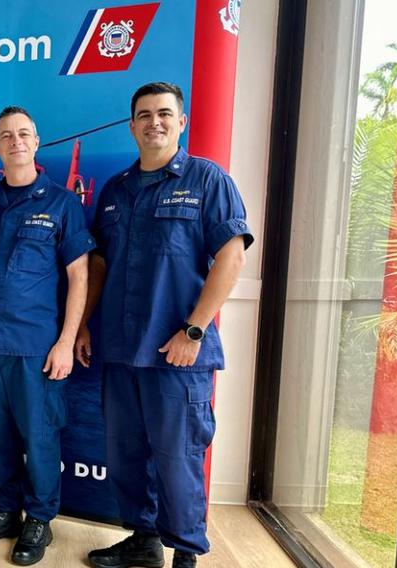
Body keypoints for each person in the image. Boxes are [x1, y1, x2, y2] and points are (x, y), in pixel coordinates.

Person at [76, 82, 253, 568]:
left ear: (182, 122)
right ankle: (143, 539)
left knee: (178, 460)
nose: (155, 122)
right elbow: (100, 267)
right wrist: (87, 325)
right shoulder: (115, 191)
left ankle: (185, 554)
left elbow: (231, 258)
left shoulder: (207, 181)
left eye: (164, 114)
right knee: (127, 455)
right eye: (144, 115)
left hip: (179, 353)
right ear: (132, 125)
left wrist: (194, 330)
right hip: (119, 350)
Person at [0, 106, 94, 566]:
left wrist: (65, 340)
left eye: (24, 134)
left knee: (40, 437)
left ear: (36, 143)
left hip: (38, 348)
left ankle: (39, 519)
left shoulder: (62, 203)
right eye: (6, 135)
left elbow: (80, 276)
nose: (16, 141)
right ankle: (4, 509)